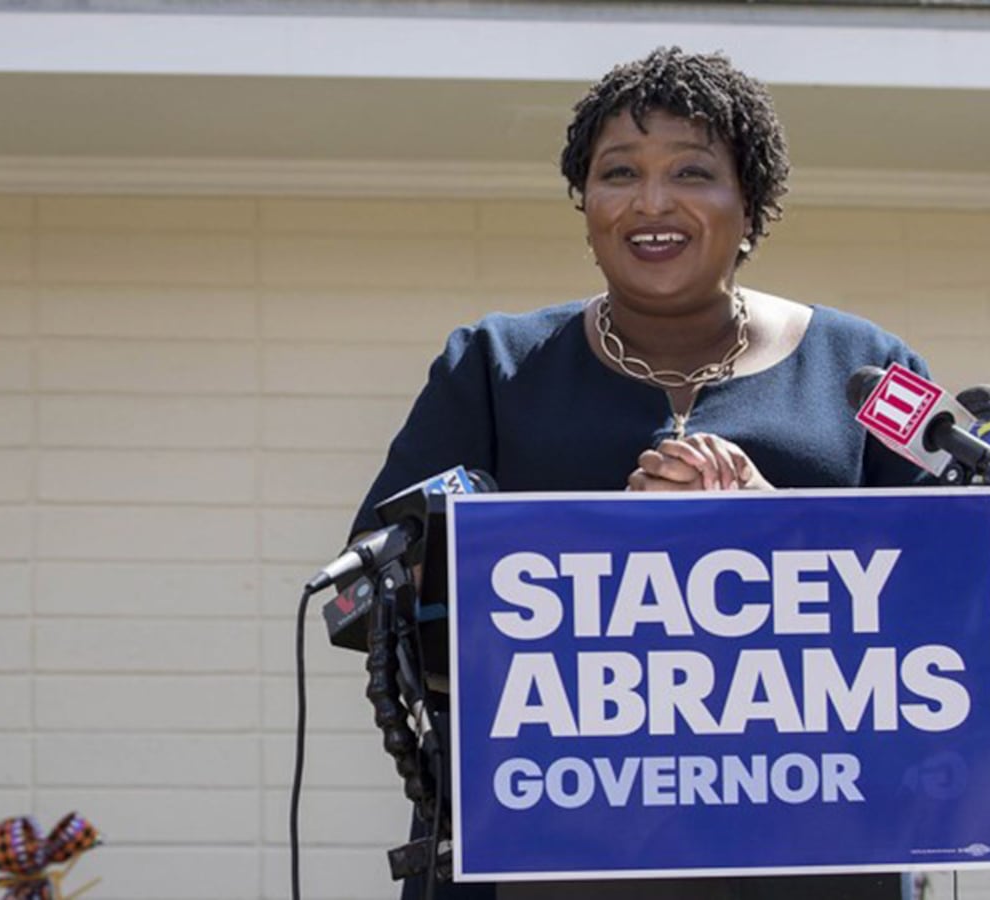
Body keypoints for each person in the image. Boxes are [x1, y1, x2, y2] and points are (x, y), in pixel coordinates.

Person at [350, 48, 924, 899]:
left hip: (811, 849)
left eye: (693, 171)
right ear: (587, 206)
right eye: (618, 172)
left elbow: (964, 585)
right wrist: (601, 544)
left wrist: (783, 531)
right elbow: (371, 593)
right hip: (542, 846)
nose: (652, 202)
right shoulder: (491, 365)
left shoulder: (876, 367)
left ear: (751, 203)